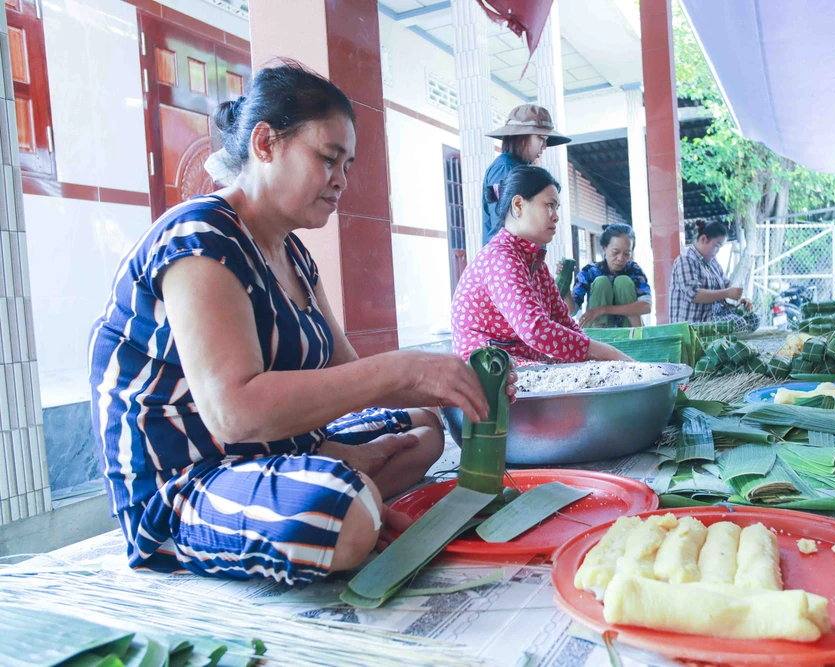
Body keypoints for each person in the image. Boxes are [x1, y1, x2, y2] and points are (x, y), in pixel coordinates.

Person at [88, 62, 515, 585]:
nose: (341, 181)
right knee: (345, 510)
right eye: (328, 159)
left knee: (425, 429)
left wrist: (456, 379)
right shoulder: (200, 240)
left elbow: (350, 373)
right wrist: (402, 371)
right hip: (186, 482)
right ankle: (342, 503)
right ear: (266, 143)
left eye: (347, 165)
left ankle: (335, 497)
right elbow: (235, 414)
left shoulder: (293, 254)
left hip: (278, 449)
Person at [452, 166, 632, 365]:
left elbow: (563, 321)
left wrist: (603, 357)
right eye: (549, 205)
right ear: (518, 205)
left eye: (557, 209)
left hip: (524, 364)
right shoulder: (500, 257)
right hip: (491, 372)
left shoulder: (534, 263)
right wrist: (613, 356)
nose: (555, 216)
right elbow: (535, 330)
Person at [481, 104, 570, 246]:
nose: (544, 146)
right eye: (541, 138)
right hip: (507, 260)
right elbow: (502, 224)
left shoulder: (520, 168)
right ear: (521, 137)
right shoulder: (506, 167)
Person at [668, 220, 759, 331]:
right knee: (737, 322)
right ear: (704, 239)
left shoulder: (712, 262)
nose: (718, 251)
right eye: (717, 246)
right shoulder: (686, 259)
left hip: (715, 316)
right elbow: (694, 294)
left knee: (754, 319)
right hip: (694, 324)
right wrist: (727, 293)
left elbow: (726, 285)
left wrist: (740, 299)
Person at [566, 223, 652, 328]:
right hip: (596, 333)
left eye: (626, 254)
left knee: (623, 281)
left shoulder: (634, 270)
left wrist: (603, 309)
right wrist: (565, 281)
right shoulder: (590, 271)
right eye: (615, 252)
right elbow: (571, 311)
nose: (620, 258)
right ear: (604, 249)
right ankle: (598, 336)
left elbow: (646, 306)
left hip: (629, 331)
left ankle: (636, 335)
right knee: (601, 282)